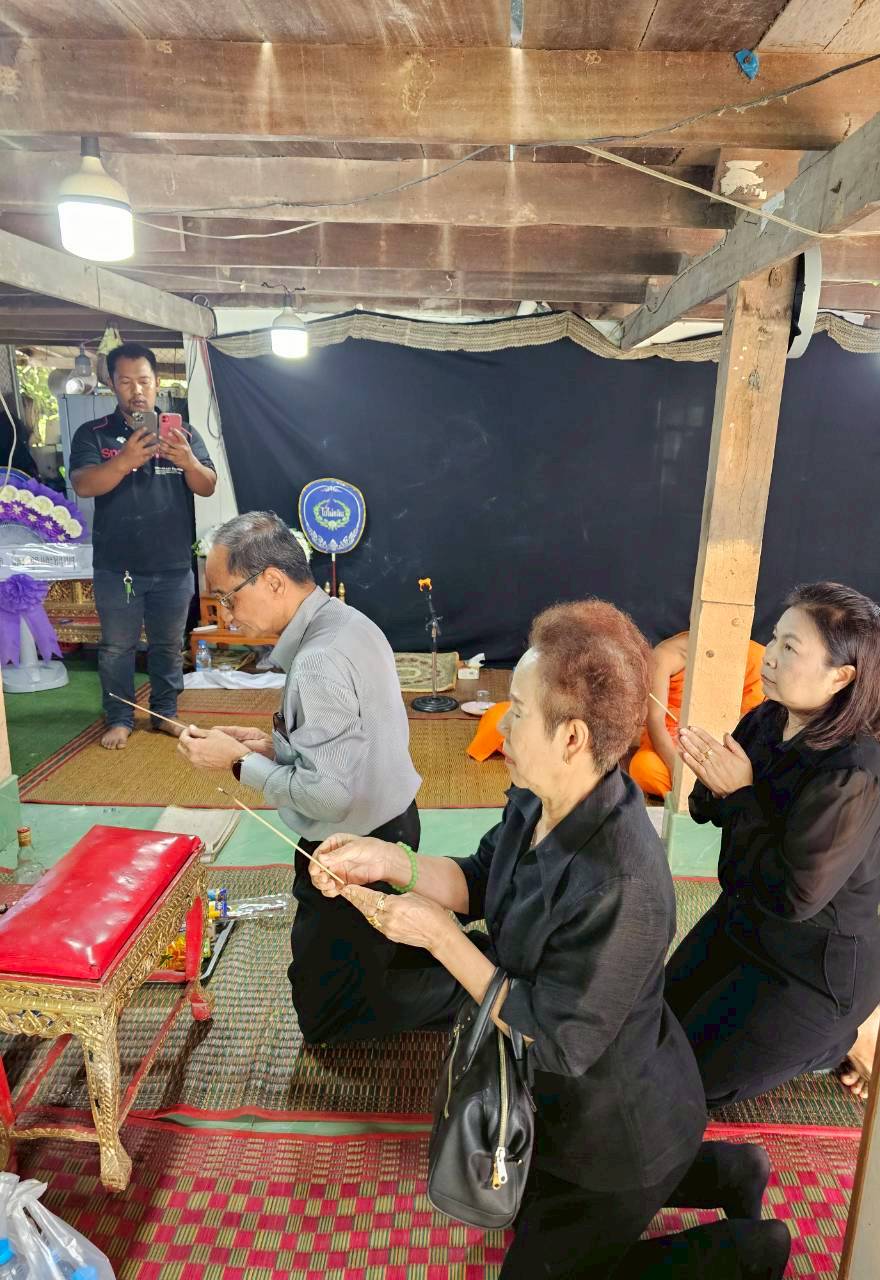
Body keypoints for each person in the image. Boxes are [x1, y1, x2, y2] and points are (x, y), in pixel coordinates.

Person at [308, 601, 790, 1279]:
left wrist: (442, 939)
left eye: (517, 710)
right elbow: (482, 879)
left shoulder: (621, 881)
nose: (501, 724)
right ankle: (728, 1171)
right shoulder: (540, 798)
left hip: (618, 1132)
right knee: (525, 1217)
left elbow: (560, 1040)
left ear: (572, 738)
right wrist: (391, 862)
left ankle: (749, 1250)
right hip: (557, 1105)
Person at [175, 511, 422, 1043]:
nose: (226, 614)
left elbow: (328, 797)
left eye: (228, 598)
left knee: (327, 1019)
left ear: (272, 581)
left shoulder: (317, 661)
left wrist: (238, 764)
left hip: (352, 850)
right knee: (376, 955)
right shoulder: (348, 621)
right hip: (396, 823)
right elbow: (350, 744)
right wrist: (268, 746)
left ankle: (480, 992)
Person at [665, 582, 880, 1108]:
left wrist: (739, 793)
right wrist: (709, 776)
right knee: (646, 1032)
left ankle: (847, 1034)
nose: (768, 656)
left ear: (841, 676)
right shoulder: (769, 718)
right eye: (774, 638)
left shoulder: (854, 772)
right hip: (744, 921)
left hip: (813, 966)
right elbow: (709, 807)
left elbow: (795, 896)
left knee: (681, 1090)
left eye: (790, 647)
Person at [68, 342, 217, 749]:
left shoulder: (182, 433)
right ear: (112, 384)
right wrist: (124, 460)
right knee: (118, 648)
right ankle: (120, 718)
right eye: (126, 382)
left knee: (168, 645)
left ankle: (165, 713)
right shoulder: (93, 434)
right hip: (119, 566)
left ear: (157, 382)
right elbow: (83, 484)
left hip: (173, 563)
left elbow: (207, 486)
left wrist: (188, 461)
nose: (137, 390)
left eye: (144, 381)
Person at [629, 631, 766, 798]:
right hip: (675, 744)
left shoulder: (756, 658)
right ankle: (697, 795)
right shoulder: (665, 655)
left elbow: (753, 726)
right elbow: (656, 721)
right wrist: (677, 771)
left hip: (725, 749)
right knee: (643, 768)